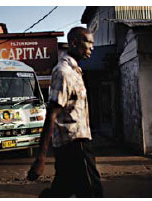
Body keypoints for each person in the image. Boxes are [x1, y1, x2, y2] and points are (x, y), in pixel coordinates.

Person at [27, 27, 103, 198]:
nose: (92, 47)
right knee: (93, 192)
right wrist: (41, 158)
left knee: (62, 191)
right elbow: (51, 114)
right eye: (88, 43)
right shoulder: (63, 73)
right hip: (75, 144)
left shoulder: (75, 71)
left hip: (71, 145)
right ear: (75, 43)